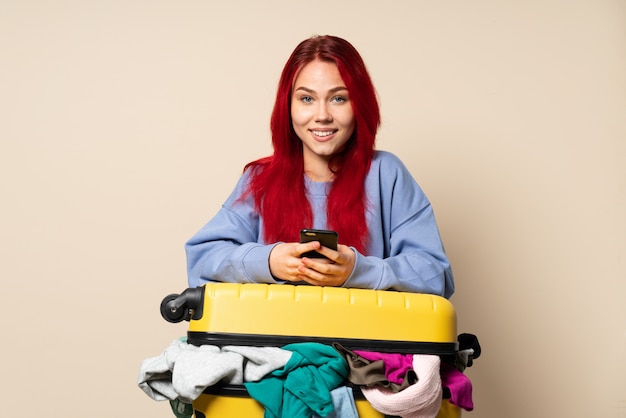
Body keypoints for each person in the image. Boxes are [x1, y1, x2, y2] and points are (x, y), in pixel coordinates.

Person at [185, 35, 454, 298]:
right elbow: (203, 258)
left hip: (359, 337)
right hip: (274, 336)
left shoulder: (386, 173)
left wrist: (358, 271)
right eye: (307, 99)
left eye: (338, 98)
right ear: (287, 107)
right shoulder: (260, 179)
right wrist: (269, 261)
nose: (322, 115)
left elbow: (435, 274)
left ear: (359, 105)